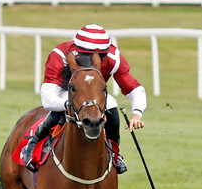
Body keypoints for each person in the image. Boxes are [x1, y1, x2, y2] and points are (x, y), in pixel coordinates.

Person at [21, 24, 146, 173]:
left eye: (101, 57)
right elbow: (48, 98)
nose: (96, 60)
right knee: (60, 109)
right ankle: (34, 141)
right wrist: (74, 104)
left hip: (95, 92)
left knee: (112, 105)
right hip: (67, 92)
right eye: (90, 56)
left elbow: (134, 88)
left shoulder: (113, 57)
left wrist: (136, 114)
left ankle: (114, 151)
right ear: (78, 52)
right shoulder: (60, 55)